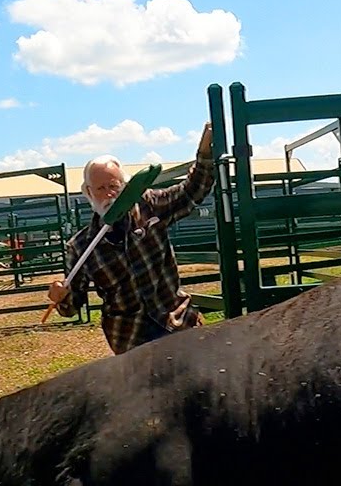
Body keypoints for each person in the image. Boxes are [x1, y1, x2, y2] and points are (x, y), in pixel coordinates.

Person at [46, 121, 216, 355]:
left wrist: (204, 154)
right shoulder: (81, 246)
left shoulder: (150, 206)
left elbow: (191, 191)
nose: (109, 194)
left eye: (114, 186)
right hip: (129, 338)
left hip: (177, 322)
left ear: (125, 186)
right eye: (100, 188)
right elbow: (71, 307)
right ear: (88, 193)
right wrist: (61, 297)